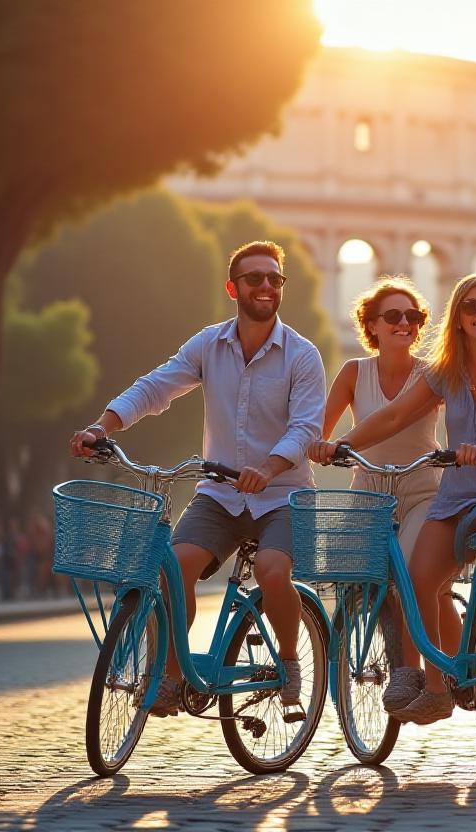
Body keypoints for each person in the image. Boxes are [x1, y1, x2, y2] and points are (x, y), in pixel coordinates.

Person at [70, 240, 325, 716]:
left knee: (272, 571)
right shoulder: (209, 344)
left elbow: (307, 427)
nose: (267, 286)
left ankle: (289, 660)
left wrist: (268, 466)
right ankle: (169, 675)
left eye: (276, 278)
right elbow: (157, 386)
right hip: (220, 494)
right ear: (234, 287)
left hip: (284, 496)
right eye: (255, 278)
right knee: (171, 569)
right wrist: (101, 426)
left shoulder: (303, 355)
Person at [308, 272, 476, 725]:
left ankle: (464, 659)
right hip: (456, 496)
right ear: (457, 316)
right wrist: (346, 444)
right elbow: (396, 414)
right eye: (472, 306)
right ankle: (437, 691)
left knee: (433, 571)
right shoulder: (444, 372)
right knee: (418, 581)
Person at [318, 276, 445, 715]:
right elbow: (321, 426)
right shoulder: (354, 373)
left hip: (422, 488)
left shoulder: (432, 374)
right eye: (393, 316)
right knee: (363, 582)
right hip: (368, 491)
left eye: (413, 317)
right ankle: (416, 664)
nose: (404, 323)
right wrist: (319, 444)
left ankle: (413, 675)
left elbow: (395, 420)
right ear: (371, 325)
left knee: (411, 576)